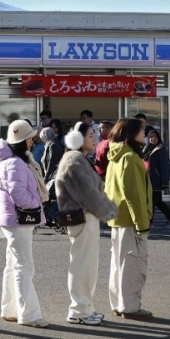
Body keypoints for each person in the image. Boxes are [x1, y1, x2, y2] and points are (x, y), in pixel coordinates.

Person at [55, 124, 118, 326]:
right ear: (77, 139)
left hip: (85, 217)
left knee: (87, 265)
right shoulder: (74, 160)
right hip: (81, 217)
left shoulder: (79, 159)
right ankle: (79, 310)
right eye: (90, 135)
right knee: (82, 265)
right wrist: (107, 209)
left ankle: (85, 308)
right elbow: (87, 193)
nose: (94, 138)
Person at [0, 120, 49, 328]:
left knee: (13, 265)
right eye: (29, 137)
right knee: (24, 267)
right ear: (21, 140)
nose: (32, 141)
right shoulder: (17, 163)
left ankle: (10, 309)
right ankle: (30, 314)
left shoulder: (9, 161)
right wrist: (37, 204)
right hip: (19, 220)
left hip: (11, 219)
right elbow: (18, 194)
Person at [104, 118, 153, 320]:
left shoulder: (116, 155)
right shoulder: (131, 158)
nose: (145, 133)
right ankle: (130, 307)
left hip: (117, 218)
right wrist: (142, 225)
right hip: (131, 220)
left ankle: (119, 303)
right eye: (142, 130)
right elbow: (134, 195)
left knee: (118, 264)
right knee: (132, 265)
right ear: (132, 134)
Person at [143, 128, 170, 228]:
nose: (152, 139)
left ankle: (168, 217)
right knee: (152, 200)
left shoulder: (161, 150)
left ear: (158, 138)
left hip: (156, 180)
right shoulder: (146, 149)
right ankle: (164, 218)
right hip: (147, 178)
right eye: (150, 137)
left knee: (155, 200)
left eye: (154, 137)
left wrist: (164, 182)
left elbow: (164, 166)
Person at [40, 127, 64, 229]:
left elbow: (52, 162)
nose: (42, 140)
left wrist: (46, 176)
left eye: (43, 137)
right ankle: (49, 218)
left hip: (55, 176)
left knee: (52, 197)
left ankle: (55, 218)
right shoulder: (50, 144)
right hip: (52, 175)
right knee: (50, 197)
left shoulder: (53, 145)